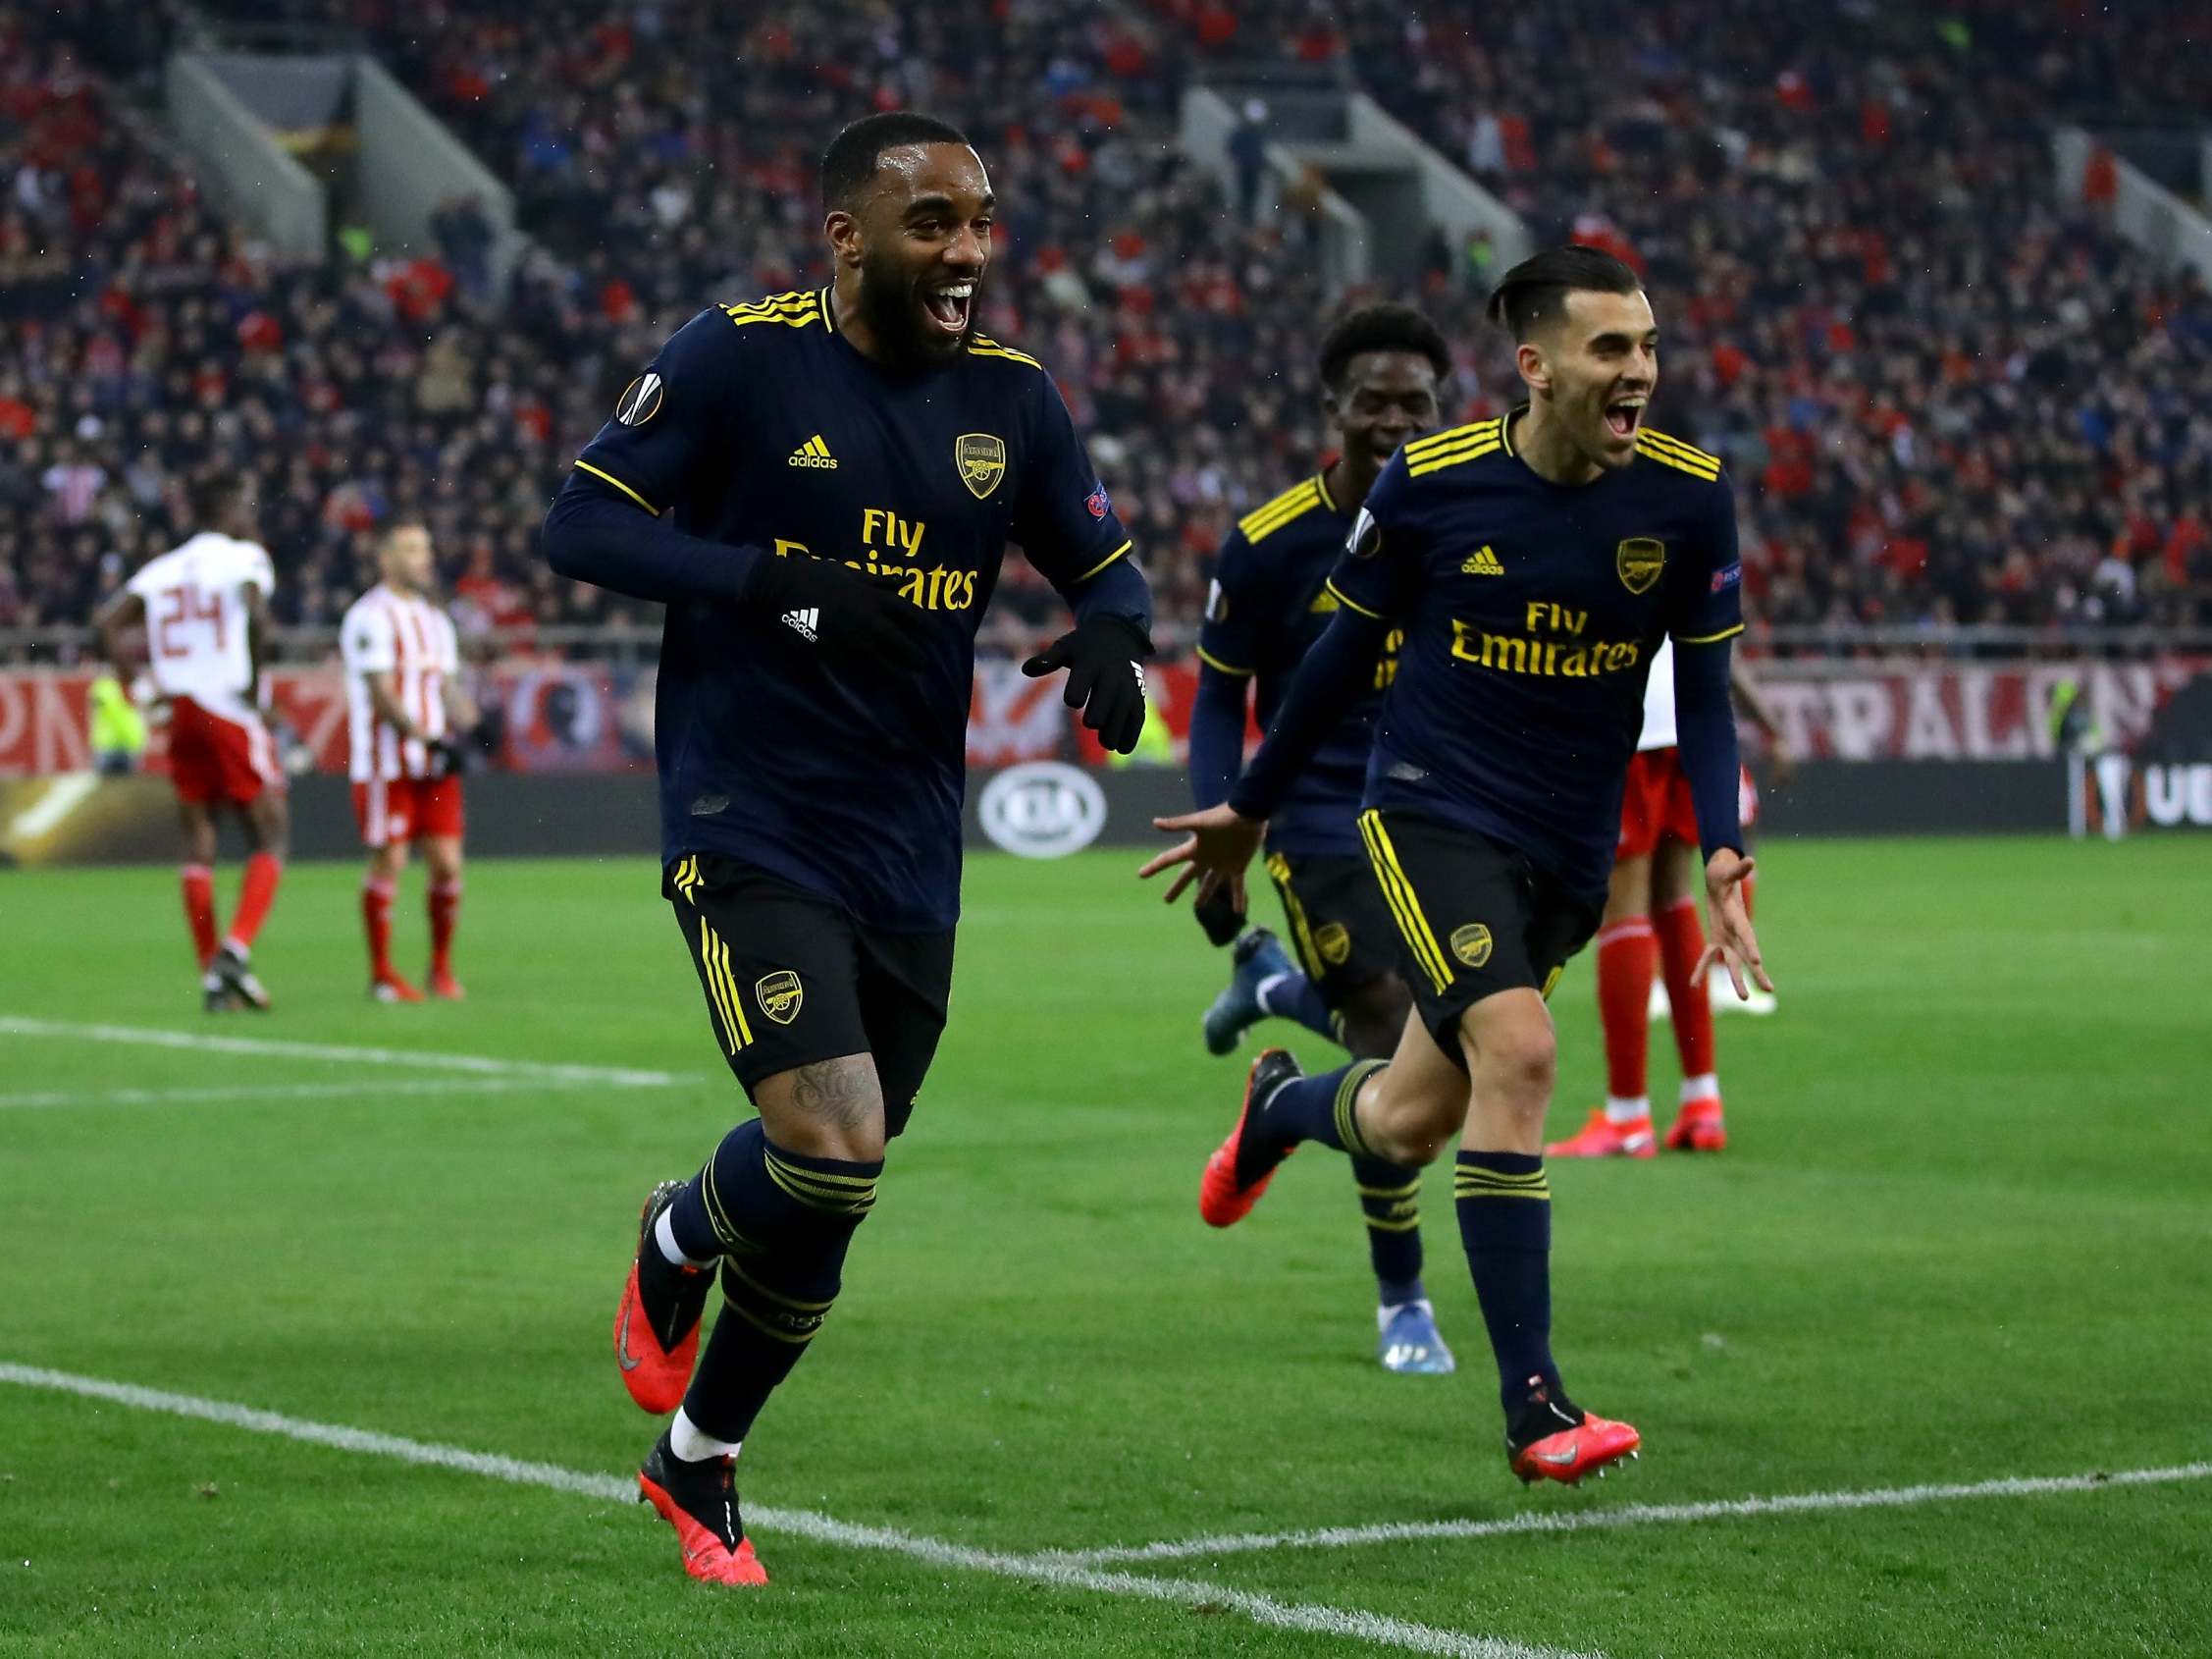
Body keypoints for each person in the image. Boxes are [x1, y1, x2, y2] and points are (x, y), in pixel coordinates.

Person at [541, 112, 1154, 1587]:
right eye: (933, 224)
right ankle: (697, 1340)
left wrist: (1118, 637)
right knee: (834, 1136)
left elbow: (1101, 557)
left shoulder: (1015, 395)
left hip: (907, 840)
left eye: (982, 223)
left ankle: (691, 1425)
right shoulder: (737, 356)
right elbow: (581, 525)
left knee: (835, 1184)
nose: (966, 254)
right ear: (845, 239)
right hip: (748, 808)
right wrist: (769, 578)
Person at [1142, 246, 1769, 1487]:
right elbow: (1329, 664)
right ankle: (1536, 1407)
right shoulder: (1433, 485)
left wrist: (1724, 844)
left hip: (1566, 850)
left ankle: (1278, 1104)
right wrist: (1247, 808)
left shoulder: (1689, 497)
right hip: (1426, 818)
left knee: (1408, 1116)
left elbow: (1700, 692)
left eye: (1647, 347)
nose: (1638, 372)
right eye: (1610, 350)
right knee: (1524, 1051)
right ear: (1534, 368)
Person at [1189, 302, 1456, 1375]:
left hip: (1437, 805)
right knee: (1388, 1046)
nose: (1394, 420)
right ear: (1332, 410)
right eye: (1373, 401)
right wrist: (1223, 829)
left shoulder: (1459, 523)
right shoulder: (1266, 545)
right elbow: (1216, 700)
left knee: (1461, 1043)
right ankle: (1404, 1303)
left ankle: (1271, 1010)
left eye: (1416, 403)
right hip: (1313, 810)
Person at [93, 480, 286, 1012]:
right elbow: (258, 618)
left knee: (199, 839)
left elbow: (106, 624)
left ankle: (211, 979)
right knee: (270, 834)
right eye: (245, 505)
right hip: (224, 705)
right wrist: (251, 685)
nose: (251, 515)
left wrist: (143, 689)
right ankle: (236, 950)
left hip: (179, 710)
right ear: (224, 510)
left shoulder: (163, 568)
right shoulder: (243, 557)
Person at [341, 521, 477, 1002]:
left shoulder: (436, 621)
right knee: (391, 859)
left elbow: (446, 686)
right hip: (386, 763)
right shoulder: (369, 617)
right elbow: (382, 695)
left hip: (434, 764)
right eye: (411, 549)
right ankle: (381, 973)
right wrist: (428, 738)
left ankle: (439, 969)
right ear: (386, 558)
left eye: (426, 548)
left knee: (446, 864)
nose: (424, 558)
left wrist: (475, 725)